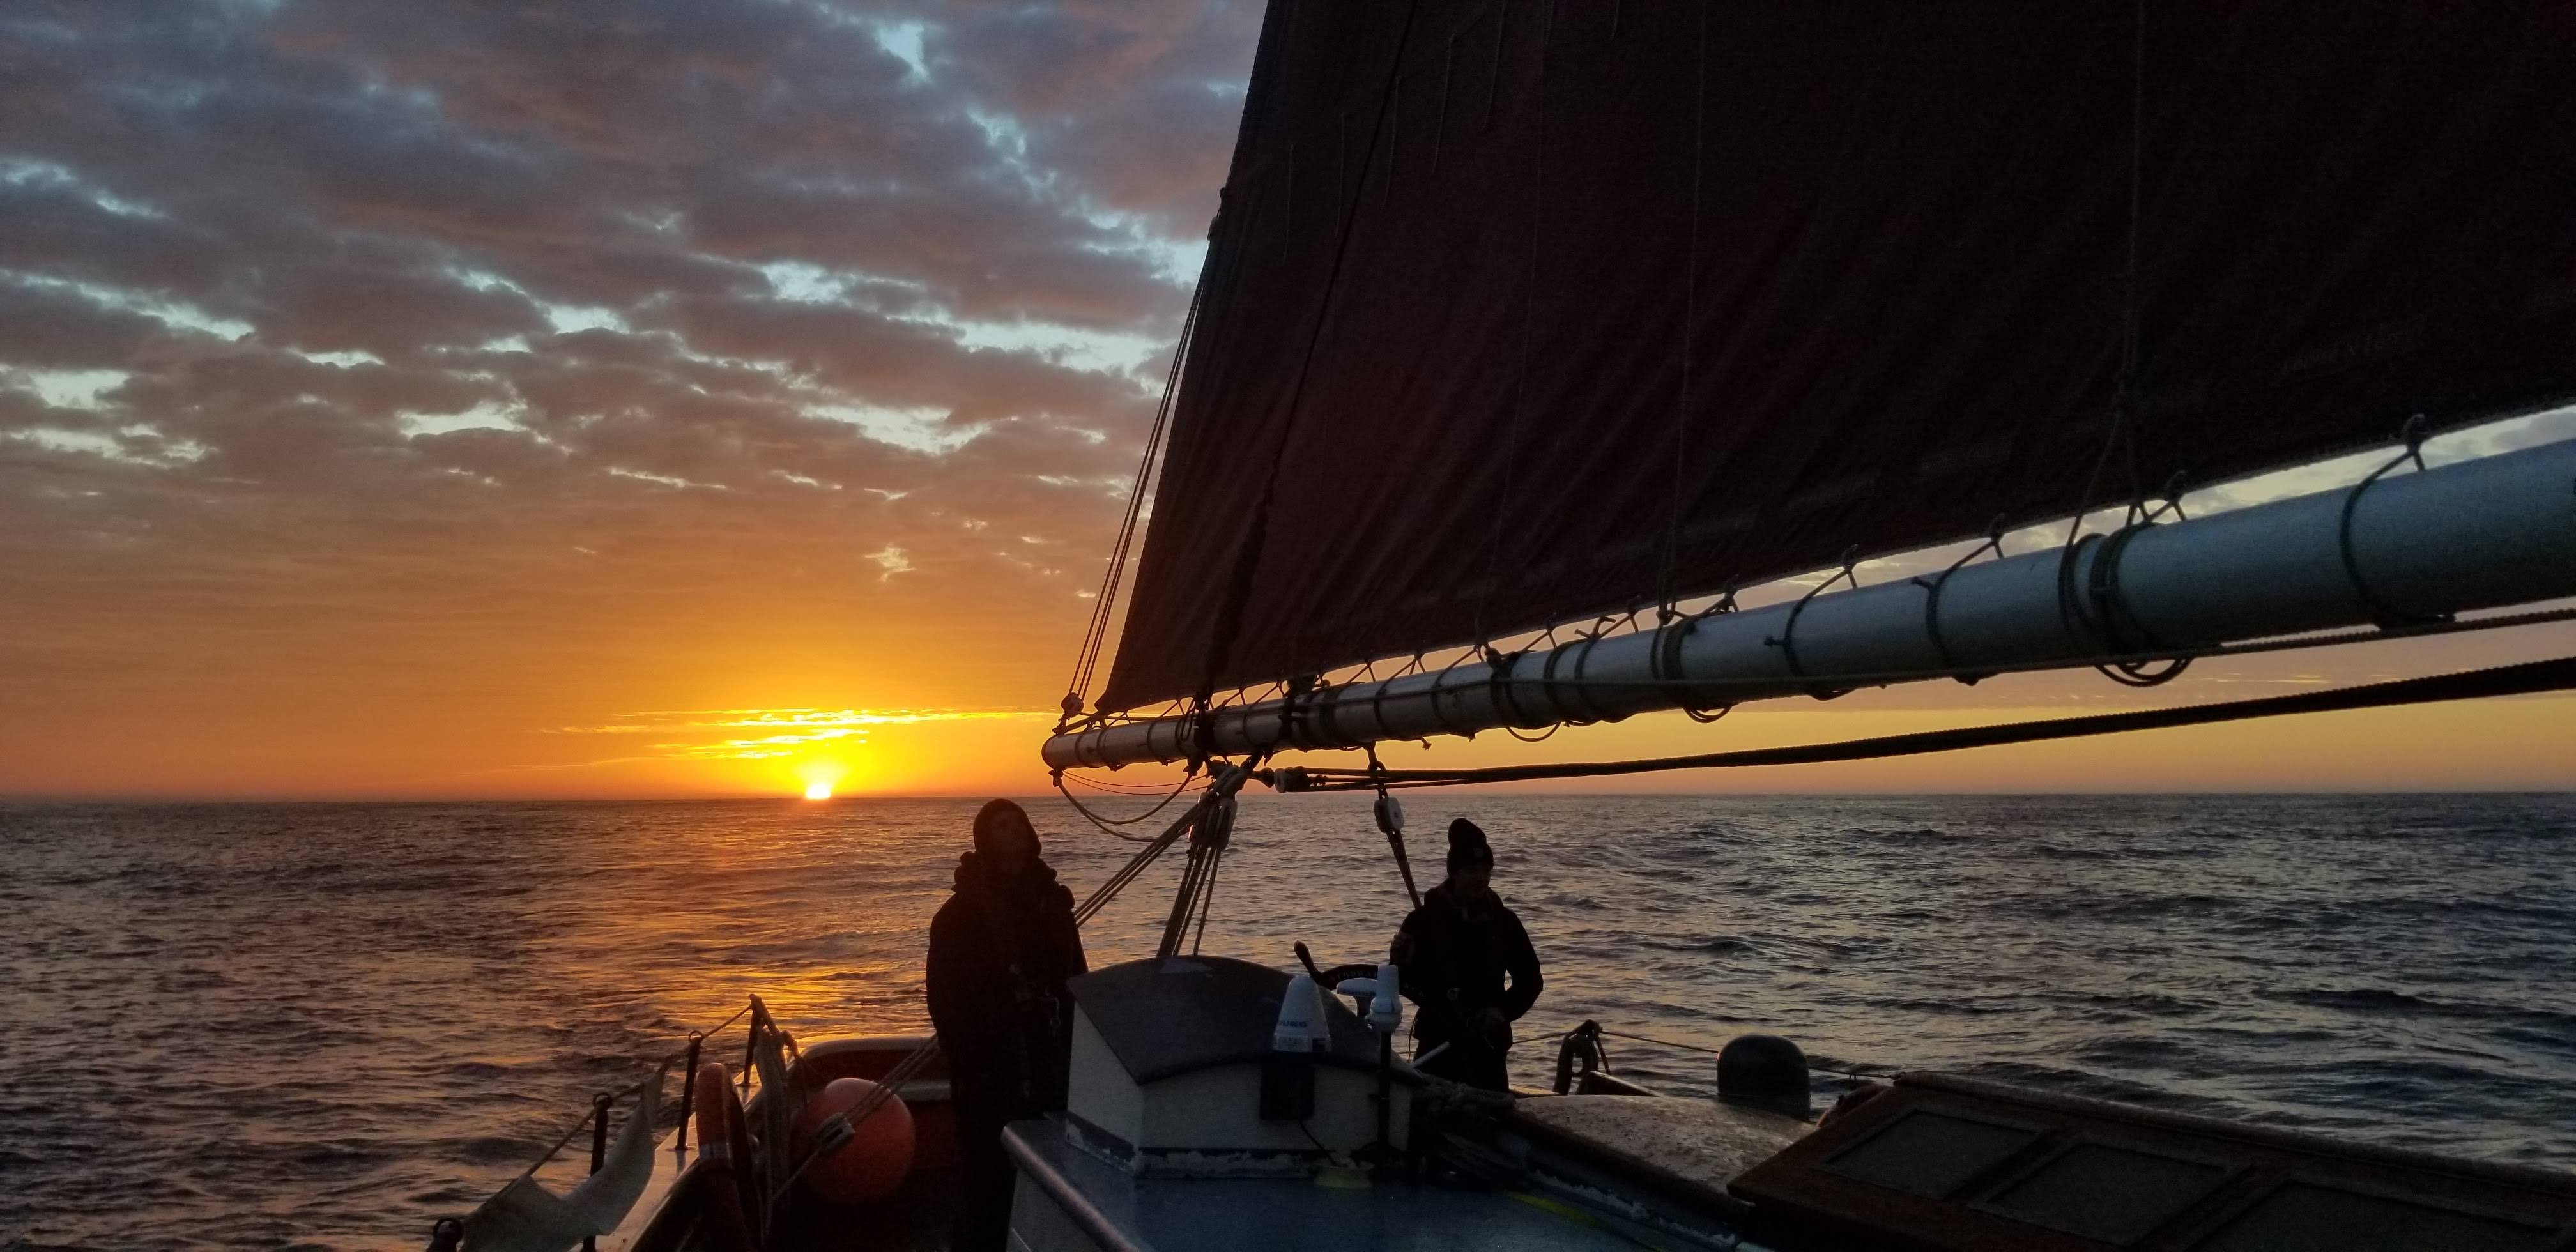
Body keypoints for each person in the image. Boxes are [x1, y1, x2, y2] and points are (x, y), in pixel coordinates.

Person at [926, 798, 1086, 1252]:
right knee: (986, 1171)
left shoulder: (1053, 903)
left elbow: (1076, 972)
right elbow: (944, 998)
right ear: (984, 837)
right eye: (1001, 825)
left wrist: (1080, 1037)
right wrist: (971, 1054)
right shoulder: (958, 916)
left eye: (1018, 822)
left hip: (1050, 1054)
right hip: (988, 1064)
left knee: (1050, 1163)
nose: (1013, 830)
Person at [1389, 818, 1544, 1092]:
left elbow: (1531, 980)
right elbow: (1401, 980)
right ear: (1454, 873)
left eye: (1487, 870)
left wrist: (1502, 1012)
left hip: (1489, 1046)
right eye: (1472, 870)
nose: (1482, 877)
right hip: (1437, 1043)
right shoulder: (1421, 921)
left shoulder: (1505, 922)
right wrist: (1403, 963)